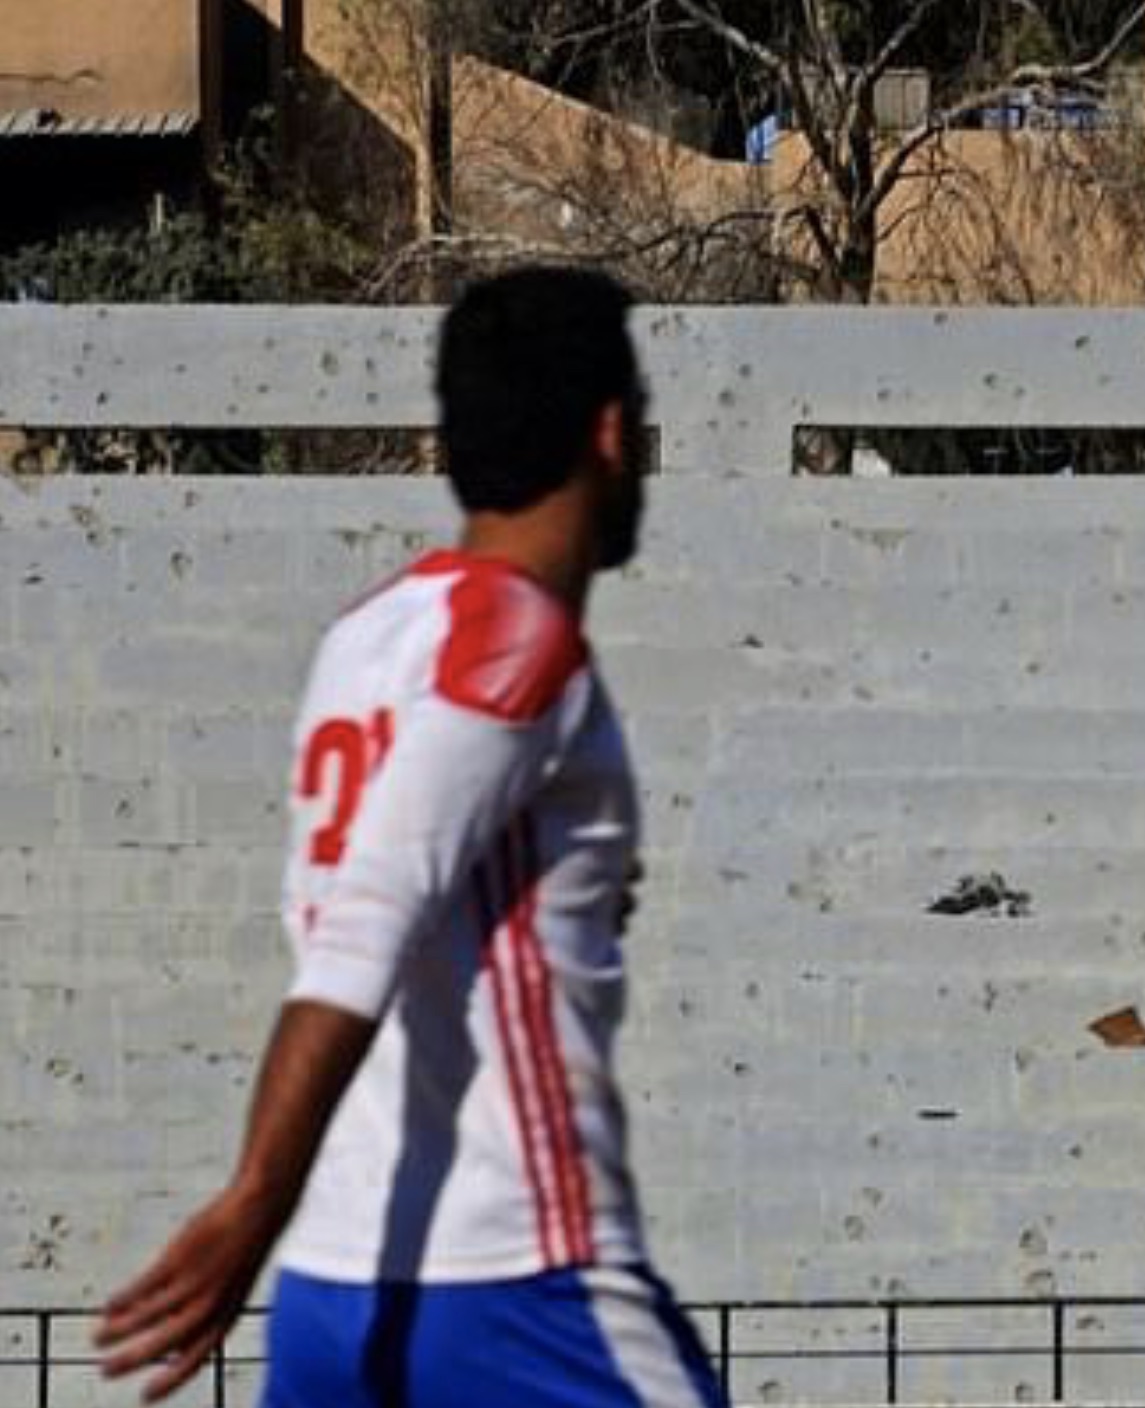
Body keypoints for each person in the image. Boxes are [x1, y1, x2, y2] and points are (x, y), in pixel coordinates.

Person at [96, 267, 723, 1407]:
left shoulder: (364, 636)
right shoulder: (518, 640)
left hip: (334, 1293)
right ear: (614, 433)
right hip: (511, 1276)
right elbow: (368, 923)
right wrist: (250, 1197)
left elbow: (420, 884)